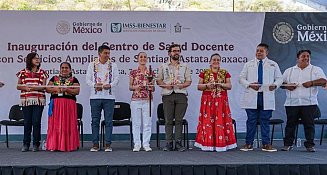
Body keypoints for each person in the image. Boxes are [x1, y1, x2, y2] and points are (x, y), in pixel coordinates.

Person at [239, 43, 283, 152]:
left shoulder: (273, 64)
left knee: (265, 121)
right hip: (252, 96)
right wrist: (249, 84)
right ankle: (248, 143)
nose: (258, 52)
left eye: (261, 51)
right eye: (257, 50)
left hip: (266, 95)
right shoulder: (248, 64)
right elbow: (241, 78)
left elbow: (279, 78)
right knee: (251, 121)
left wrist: (275, 85)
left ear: (266, 53)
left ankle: (266, 144)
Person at [281, 49, 327, 152]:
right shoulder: (289, 71)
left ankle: (310, 145)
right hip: (292, 103)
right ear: (298, 58)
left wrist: (311, 83)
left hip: (309, 103)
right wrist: (287, 86)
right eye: (303, 56)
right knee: (290, 124)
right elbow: (281, 83)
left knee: (309, 125)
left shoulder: (316, 69)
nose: (306, 58)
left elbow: (324, 81)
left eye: (308, 56)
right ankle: (288, 144)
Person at [194, 53, 237, 152]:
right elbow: (199, 87)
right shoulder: (204, 73)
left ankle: (221, 144)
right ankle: (207, 144)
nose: (216, 61)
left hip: (221, 100)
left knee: (221, 121)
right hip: (208, 100)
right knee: (207, 121)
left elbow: (229, 86)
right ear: (210, 61)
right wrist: (207, 86)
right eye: (214, 60)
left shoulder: (225, 72)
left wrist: (220, 84)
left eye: (218, 60)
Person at [156, 44, 192, 152]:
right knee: (168, 120)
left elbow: (188, 80)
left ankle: (178, 143)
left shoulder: (185, 66)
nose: (176, 52)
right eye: (174, 51)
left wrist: (182, 85)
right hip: (168, 94)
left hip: (181, 94)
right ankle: (169, 143)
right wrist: (165, 85)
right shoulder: (163, 66)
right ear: (169, 53)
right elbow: (158, 80)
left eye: (178, 51)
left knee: (179, 120)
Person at [86, 44, 119, 152]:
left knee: (109, 121)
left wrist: (110, 85)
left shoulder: (113, 65)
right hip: (95, 97)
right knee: (95, 121)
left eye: (108, 53)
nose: (107, 55)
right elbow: (88, 79)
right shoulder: (92, 65)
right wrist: (95, 85)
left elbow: (116, 79)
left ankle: (108, 144)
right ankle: (95, 144)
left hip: (109, 97)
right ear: (99, 53)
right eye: (105, 53)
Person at [16, 52, 48, 152]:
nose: (37, 60)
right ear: (30, 60)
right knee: (27, 122)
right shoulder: (23, 72)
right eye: (35, 58)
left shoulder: (43, 72)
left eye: (38, 58)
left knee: (36, 122)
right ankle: (26, 144)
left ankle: (36, 144)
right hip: (26, 100)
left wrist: (34, 87)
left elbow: (44, 87)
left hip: (38, 100)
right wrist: (25, 87)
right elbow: (18, 86)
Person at [46, 62, 80, 152]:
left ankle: (69, 145)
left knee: (68, 124)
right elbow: (48, 89)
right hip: (56, 104)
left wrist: (67, 89)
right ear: (60, 69)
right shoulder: (54, 78)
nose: (64, 69)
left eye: (66, 68)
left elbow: (77, 91)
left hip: (69, 104)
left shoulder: (74, 79)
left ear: (70, 69)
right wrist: (56, 89)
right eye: (62, 68)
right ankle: (55, 145)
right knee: (56, 124)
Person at [129, 52, 155, 152]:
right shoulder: (133, 72)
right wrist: (136, 87)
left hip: (148, 100)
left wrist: (150, 87)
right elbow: (130, 87)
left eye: (144, 57)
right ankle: (137, 144)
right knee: (136, 124)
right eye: (141, 57)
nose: (143, 59)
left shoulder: (151, 73)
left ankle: (146, 143)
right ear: (137, 59)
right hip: (136, 100)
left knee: (147, 123)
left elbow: (153, 89)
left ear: (147, 59)